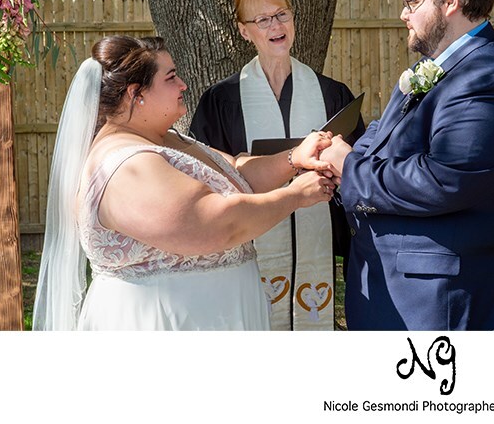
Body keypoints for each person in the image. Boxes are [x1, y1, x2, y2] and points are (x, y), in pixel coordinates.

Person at [321, 0, 494, 330]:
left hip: (448, 300)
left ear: (451, 0)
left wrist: (349, 169)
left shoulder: (487, 79)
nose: (403, 14)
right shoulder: (434, 68)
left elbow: (443, 178)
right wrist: (341, 156)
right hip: (406, 289)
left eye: (412, 3)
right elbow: (379, 133)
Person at [32, 35, 337, 330]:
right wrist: (296, 195)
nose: (183, 85)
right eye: (171, 78)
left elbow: (235, 173)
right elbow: (217, 223)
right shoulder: (127, 166)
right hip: (169, 322)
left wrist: (294, 158)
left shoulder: (165, 138)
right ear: (135, 94)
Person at [190, 0, 364, 330]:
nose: (276, 25)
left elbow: (358, 168)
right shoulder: (222, 101)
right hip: (248, 247)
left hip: (317, 240)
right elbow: (205, 177)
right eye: (263, 19)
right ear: (244, 30)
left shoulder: (331, 94)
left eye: (282, 14)